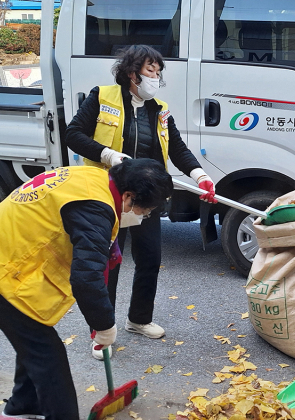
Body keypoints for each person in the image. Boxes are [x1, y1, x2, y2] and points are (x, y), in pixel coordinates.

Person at [0, 159, 173, 420]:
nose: (143, 216)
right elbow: (87, 277)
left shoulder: (96, 180)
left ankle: (22, 406)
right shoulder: (95, 208)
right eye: (146, 210)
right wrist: (104, 325)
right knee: (46, 354)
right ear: (129, 196)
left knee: (33, 341)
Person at [65, 44, 216, 353]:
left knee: (150, 258)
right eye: (150, 70)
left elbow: (177, 148)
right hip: (109, 195)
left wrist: (200, 175)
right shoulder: (102, 97)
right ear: (132, 73)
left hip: (145, 196)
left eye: (158, 72)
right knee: (108, 264)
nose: (155, 77)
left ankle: (139, 319)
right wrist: (107, 154)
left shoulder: (159, 109)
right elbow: (73, 134)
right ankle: (101, 333)